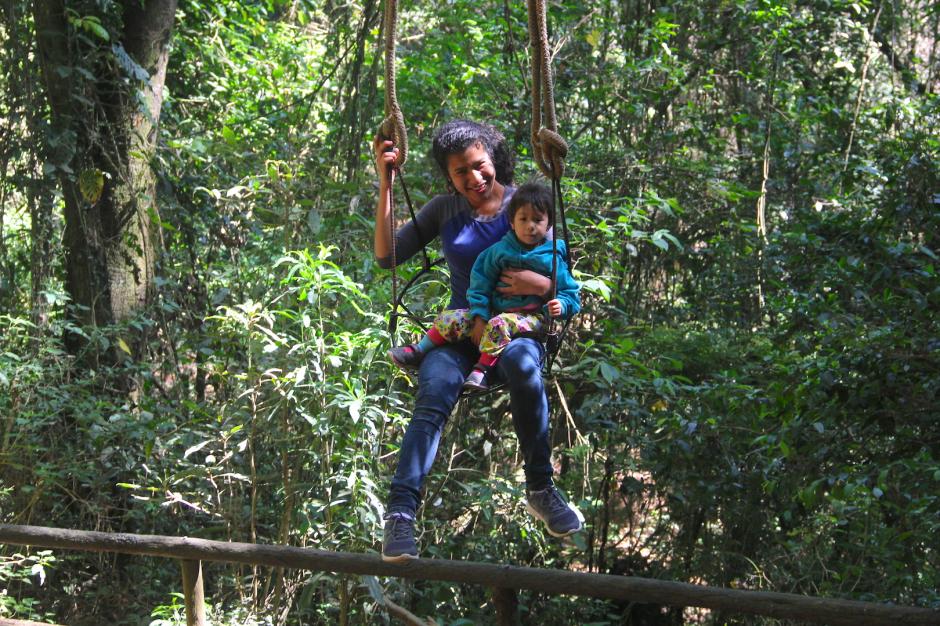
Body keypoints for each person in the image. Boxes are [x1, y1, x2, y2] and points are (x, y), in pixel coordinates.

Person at [373, 119, 584, 563]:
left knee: (525, 370)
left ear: (493, 159)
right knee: (433, 391)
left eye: (479, 165)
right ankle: (400, 514)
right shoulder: (444, 210)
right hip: (465, 330)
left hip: (515, 327)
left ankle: (541, 488)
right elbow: (387, 256)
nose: (473, 178)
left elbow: (559, 271)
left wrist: (541, 285)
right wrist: (386, 180)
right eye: (460, 172)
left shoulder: (525, 204)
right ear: (449, 176)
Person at [387, 182, 580, 392]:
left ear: (549, 224)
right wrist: (479, 317)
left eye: (538, 220)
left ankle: (482, 370)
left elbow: (570, 293)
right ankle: (419, 350)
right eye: (523, 219)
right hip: (495, 314)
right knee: (453, 318)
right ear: (512, 223)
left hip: (532, 319)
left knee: (499, 324)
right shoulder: (498, 252)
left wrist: (561, 305)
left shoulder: (553, 257)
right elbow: (480, 284)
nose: (530, 226)